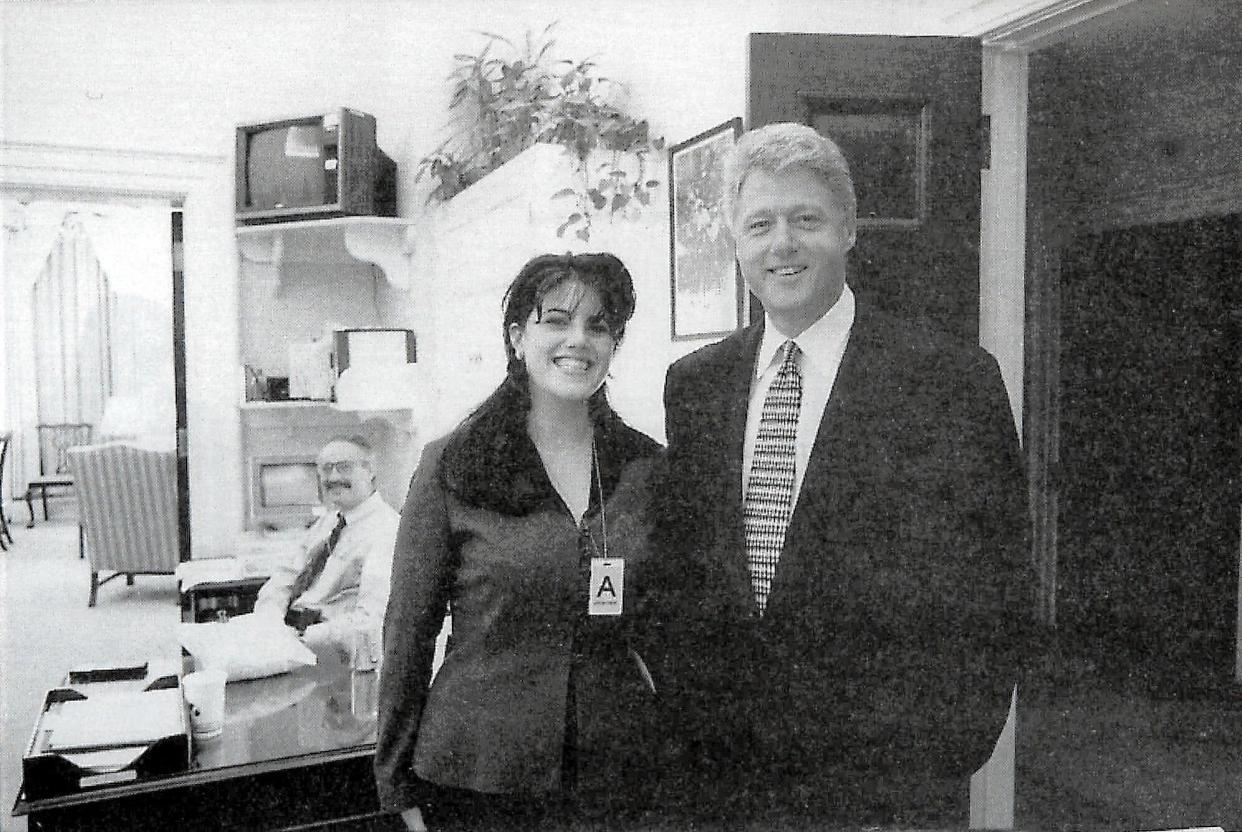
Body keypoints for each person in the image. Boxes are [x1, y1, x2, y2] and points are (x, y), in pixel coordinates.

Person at [651, 122, 1032, 825]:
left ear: (850, 229)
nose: (783, 244)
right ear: (736, 241)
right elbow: (686, 575)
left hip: (888, 786)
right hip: (731, 787)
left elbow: (999, 575)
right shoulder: (696, 387)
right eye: (759, 223)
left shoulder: (949, 380)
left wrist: (947, 751)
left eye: (807, 219)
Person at [374, 253, 663, 831]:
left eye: (599, 325)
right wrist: (395, 782)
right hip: (479, 774)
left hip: (618, 776)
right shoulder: (453, 464)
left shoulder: (647, 467)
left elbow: (670, 627)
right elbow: (408, 632)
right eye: (556, 320)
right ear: (517, 337)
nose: (577, 340)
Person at [252, 435, 399, 653]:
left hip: (327, 647)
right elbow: (284, 578)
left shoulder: (386, 530)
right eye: (326, 469)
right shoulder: (329, 522)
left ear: (370, 472)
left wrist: (301, 637)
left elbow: (370, 620)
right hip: (287, 638)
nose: (333, 477)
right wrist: (269, 621)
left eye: (344, 467)